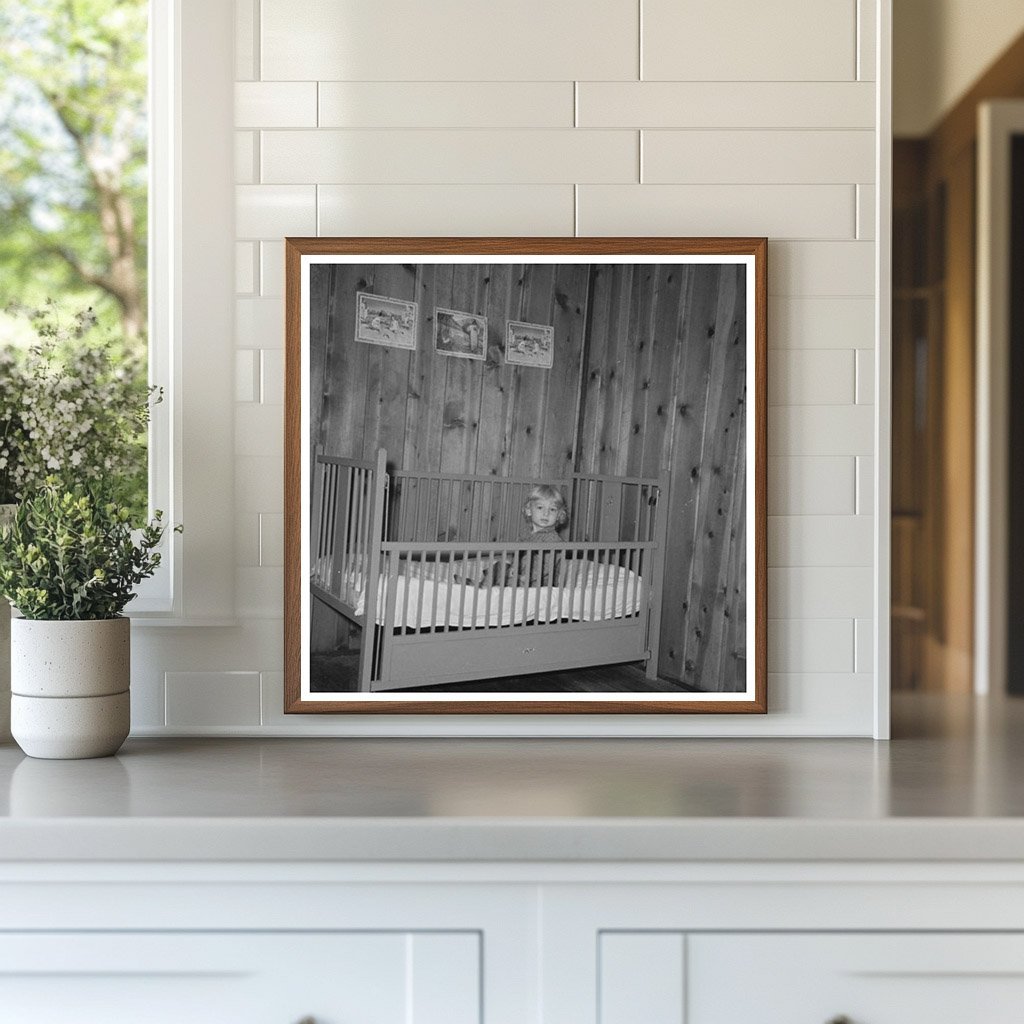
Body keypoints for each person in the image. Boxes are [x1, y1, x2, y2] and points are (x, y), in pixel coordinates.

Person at [482, 485, 567, 588]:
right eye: (540, 507)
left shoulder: (554, 540)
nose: (546, 513)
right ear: (529, 510)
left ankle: (484, 587)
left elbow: (547, 566)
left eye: (552, 509)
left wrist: (526, 576)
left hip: (540, 582)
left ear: (559, 515)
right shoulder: (525, 534)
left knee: (505, 576)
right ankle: (482, 586)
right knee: (500, 566)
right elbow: (517, 555)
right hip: (521, 575)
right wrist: (513, 568)